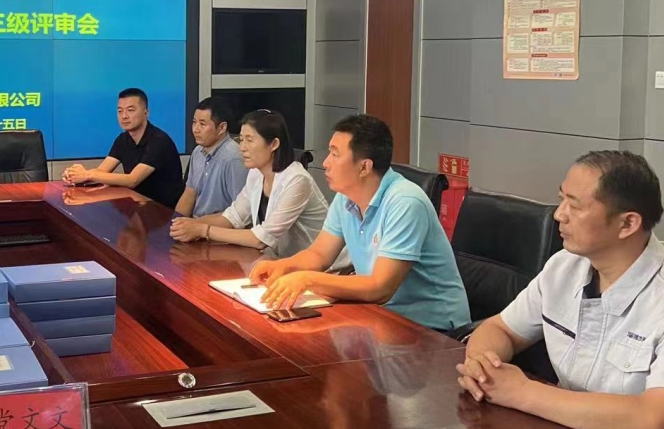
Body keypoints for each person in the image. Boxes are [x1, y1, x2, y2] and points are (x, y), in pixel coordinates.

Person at [456, 151, 664, 429]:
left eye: (575, 206)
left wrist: (522, 392)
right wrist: (482, 367)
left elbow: (654, 421)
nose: (559, 215)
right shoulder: (564, 267)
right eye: (561, 200)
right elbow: (500, 329)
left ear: (627, 223)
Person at [250, 114, 469, 332]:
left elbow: (381, 287)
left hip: (433, 330)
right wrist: (283, 266)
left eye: (335, 154)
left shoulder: (405, 202)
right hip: (380, 317)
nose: (325, 163)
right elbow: (319, 255)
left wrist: (307, 279)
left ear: (364, 167)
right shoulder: (345, 197)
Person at [170, 110, 327, 258]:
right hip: (279, 261)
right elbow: (233, 217)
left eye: (250, 140)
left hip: (320, 267)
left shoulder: (297, 180)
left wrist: (203, 230)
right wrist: (189, 224)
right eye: (241, 139)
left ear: (274, 144)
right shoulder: (256, 173)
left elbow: (261, 239)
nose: (242, 148)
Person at [62, 88, 184, 209]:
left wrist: (88, 175)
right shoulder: (123, 139)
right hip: (139, 207)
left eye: (130, 110)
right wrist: (76, 175)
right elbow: (102, 172)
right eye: (120, 111)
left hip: (164, 211)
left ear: (146, 113)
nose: (124, 116)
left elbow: (133, 180)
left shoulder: (159, 141)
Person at [174, 96, 248, 218]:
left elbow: (241, 212)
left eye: (202, 124)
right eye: (194, 122)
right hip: (195, 224)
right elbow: (189, 194)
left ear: (222, 128)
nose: (195, 129)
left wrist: (196, 224)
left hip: (219, 226)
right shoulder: (197, 152)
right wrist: (175, 222)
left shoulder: (234, 159)